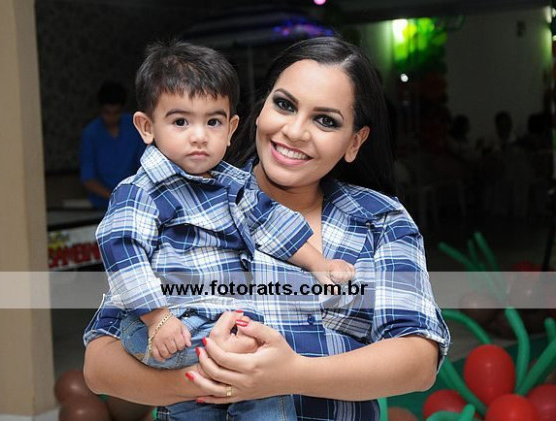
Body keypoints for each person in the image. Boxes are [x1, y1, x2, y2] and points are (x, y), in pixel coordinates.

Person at [84, 36, 450, 421]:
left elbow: (418, 360)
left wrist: (290, 375)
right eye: (284, 104)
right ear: (259, 111)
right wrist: (215, 378)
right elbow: (100, 365)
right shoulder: (182, 202)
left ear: (354, 142)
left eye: (326, 120)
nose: (295, 131)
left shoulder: (379, 219)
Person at [80, 81, 146, 209]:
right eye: (107, 112)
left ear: (122, 109)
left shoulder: (133, 127)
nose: (111, 117)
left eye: (116, 113)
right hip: (101, 204)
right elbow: (88, 178)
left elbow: (143, 164)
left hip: (133, 199)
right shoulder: (91, 134)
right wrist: (114, 197)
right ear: (100, 109)